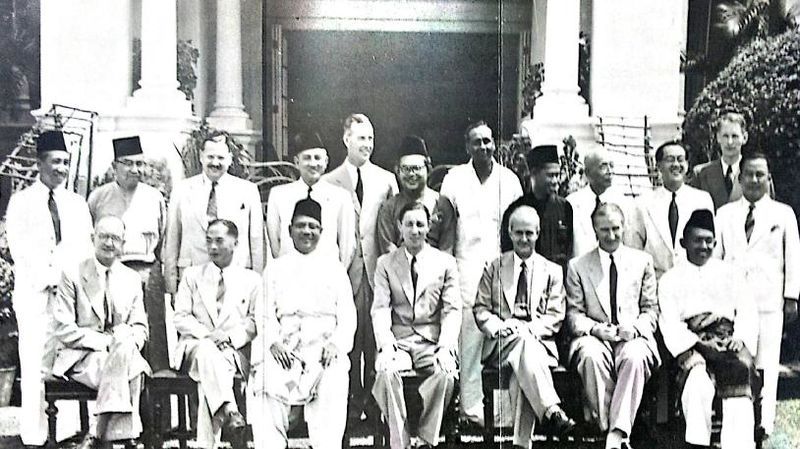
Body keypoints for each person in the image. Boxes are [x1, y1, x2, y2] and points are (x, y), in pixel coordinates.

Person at [5, 130, 93, 446]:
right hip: (36, 293)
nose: (61, 168)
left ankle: (67, 430)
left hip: (68, 296)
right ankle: (34, 434)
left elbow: (84, 250)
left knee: (66, 359)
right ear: (40, 163)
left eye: (65, 162)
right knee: (34, 361)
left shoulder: (77, 204)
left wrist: (70, 284)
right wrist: (49, 277)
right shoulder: (22, 202)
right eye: (55, 161)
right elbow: (19, 249)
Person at [254, 197, 356, 449]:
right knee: (265, 379)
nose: (307, 231)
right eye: (301, 226)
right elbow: (264, 313)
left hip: (323, 348)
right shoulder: (275, 269)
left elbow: (347, 316)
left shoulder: (335, 269)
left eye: (313, 226)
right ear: (290, 230)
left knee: (333, 379)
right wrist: (274, 343)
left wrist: (336, 344)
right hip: (285, 348)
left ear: (321, 231)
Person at [439, 120, 522, 427]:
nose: (484, 147)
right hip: (466, 268)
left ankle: (503, 415)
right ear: (467, 147)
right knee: (470, 341)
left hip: (501, 268)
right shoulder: (454, 179)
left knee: (502, 335)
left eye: (488, 142)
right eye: (477, 142)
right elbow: (446, 225)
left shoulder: (509, 180)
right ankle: (471, 410)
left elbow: (518, 227)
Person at [714, 151, 800, 439]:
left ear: (768, 179)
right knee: (738, 360)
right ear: (740, 178)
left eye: (760, 174)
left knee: (767, 361)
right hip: (734, 302)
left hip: (769, 301)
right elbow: (716, 257)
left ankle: (765, 421)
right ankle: (739, 418)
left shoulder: (783, 213)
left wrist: (792, 297)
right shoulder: (725, 215)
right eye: (748, 174)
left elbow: (793, 258)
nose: (753, 180)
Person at [474, 206, 576, 448]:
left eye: (529, 233)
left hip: (537, 345)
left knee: (524, 359)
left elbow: (554, 315)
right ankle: (551, 409)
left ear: (538, 233)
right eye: (518, 233)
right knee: (523, 348)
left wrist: (528, 330)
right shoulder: (493, 267)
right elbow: (480, 309)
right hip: (501, 344)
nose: (523, 239)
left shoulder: (552, 271)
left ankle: (521, 444)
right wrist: (499, 326)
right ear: (509, 232)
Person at [47, 216, 151, 449]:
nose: (109, 243)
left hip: (118, 355)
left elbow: (140, 328)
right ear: (93, 239)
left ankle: (98, 432)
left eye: (115, 238)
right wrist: (107, 342)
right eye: (104, 236)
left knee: (126, 348)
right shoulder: (72, 274)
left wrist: (123, 340)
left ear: (123, 244)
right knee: (133, 369)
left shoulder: (132, 279)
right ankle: (123, 435)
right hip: (83, 357)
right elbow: (63, 328)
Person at [659, 209, 759, 449]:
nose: (703, 246)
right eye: (697, 240)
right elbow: (670, 321)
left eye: (709, 241)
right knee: (697, 384)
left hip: (727, 340)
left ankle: (738, 444)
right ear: (684, 243)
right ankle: (698, 443)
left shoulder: (731, 273)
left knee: (740, 373)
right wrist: (696, 344)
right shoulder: (670, 279)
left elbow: (747, 310)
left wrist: (741, 338)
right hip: (692, 343)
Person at [322, 113, 398, 423]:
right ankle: (351, 401)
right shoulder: (330, 181)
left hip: (377, 268)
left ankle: (373, 400)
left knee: (374, 336)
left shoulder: (385, 180)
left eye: (370, 138)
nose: (366, 144)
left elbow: (390, 226)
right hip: (346, 269)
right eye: (360, 138)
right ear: (346, 140)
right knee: (349, 338)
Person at [565, 203, 660, 449]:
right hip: (596, 336)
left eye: (616, 228)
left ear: (624, 227)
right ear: (595, 230)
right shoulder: (578, 266)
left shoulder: (642, 262)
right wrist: (595, 329)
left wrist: (636, 328)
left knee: (635, 356)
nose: (611, 235)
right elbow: (574, 315)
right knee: (590, 356)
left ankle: (615, 433)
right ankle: (613, 432)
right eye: (604, 229)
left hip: (632, 334)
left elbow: (651, 310)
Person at [371, 202, 461, 449]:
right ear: (399, 227)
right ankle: (401, 442)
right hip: (399, 341)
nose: (414, 230)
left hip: (430, 342)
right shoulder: (385, 263)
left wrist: (445, 347)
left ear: (429, 225)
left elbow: (452, 309)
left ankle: (425, 439)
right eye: (408, 224)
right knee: (386, 373)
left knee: (446, 374)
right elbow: (380, 309)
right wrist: (387, 346)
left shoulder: (445, 263)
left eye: (420, 224)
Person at [173, 219, 261, 448]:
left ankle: (208, 440)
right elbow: (180, 316)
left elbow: (255, 321)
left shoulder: (251, 280)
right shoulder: (192, 276)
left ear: (235, 243)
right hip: (194, 348)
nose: (213, 247)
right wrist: (209, 335)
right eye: (209, 241)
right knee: (205, 351)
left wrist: (230, 338)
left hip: (232, 352)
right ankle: (230, 409)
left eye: (219, 241)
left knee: (207, 380)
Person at [87, 136, 169, 371]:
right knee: (118, 333)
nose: (136, 169)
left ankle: (155, 403)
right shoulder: (98, 197)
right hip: (111, 273)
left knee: (153, 334)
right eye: (128, 163)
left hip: (146, 271)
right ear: (115, 167)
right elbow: (90, 237)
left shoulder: (154, 197)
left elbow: (163, 237)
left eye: (140, 164)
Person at [165, 132, 265, 294]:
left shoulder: (247, 191)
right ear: (201, 157)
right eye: (210, 157)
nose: (215, 163)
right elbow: (172, 238)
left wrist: (256, 283)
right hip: (193, 275)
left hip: (236, 275)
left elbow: (256, 240)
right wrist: (171, 285)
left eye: (221, 158)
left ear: (230, 159)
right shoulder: (182, 190)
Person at [266, 130, 356, 264]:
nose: (313, 164)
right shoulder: (279, 195)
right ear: (297, 162)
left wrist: (336, 274)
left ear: (326, 162)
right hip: (290, 272)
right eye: (307, 158)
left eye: (317, 158)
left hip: (326, 274)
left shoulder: (341, 197)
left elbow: (347, 245)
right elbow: (274, 242)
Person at [628, 141, 714, 279]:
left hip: (692, 281)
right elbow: (634, 251)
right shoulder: (642, 203)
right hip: (655, 284)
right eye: (670, 159)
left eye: (680, 159)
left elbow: (709, 247)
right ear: (658, 166)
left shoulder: (702, 200)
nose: (676, 165)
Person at [376, 135, 456, 256]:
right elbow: (388, 251)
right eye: (406, 169)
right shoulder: (389, 208)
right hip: (398, 270)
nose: (412, 174)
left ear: (428, 169)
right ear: (397, 171)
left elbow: (447, 250)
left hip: (436, 271)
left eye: (416, 168)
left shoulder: (442, 204)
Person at [500, 145, 574, 271]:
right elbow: (507, 250)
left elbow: (569, 249)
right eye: (550, 175)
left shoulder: (565, 208)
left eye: (557, 175)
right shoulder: (516, 209)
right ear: (533, 173)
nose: (555, 181)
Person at [566, 147, 634, 258]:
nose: (610, 171)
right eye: (603, 166)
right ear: (588, 173)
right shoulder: (572, 203)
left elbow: (630, 244)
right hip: (582, 270)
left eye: (611, 166)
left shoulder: (624, 203)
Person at [690, 111, 751, 210]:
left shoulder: (755, 173)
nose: (729, 142)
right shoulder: (701, 174)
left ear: (744, 138)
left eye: (734, 136)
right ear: (718, 138)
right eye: (725, 136)